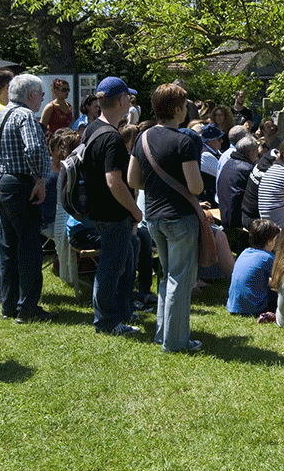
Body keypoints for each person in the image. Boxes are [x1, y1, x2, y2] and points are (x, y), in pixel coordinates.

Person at [128, 82, 205, 353]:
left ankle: (163, 334)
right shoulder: (184, 141)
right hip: (180, 217)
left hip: (154, 216)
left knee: (166, 276)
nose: (186, 110)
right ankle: (176, 342)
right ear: (177, 109)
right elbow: (196, 187)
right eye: (184, 105)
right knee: (180, 280)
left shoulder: (142, 138)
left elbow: (132, 180)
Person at [0, 73, 54, 324]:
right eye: (41, 94)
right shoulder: (26, 116)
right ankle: (27, 307)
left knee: (9, 245)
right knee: (29, 247)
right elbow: (34, 148)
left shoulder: (2, 114)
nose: (42, 99)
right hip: (22, 184)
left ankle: (9, 304)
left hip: (3, 182)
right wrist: (39, 180)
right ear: (30, 95)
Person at [84, 77, 144, 336]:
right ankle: (106, 322)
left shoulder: (92, 129)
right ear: (120, 100)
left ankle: (118, 313)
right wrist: (134, 210)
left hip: (98, 210)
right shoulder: (112, 138)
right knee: (111, 268)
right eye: (127, 98)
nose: (129, 103)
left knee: (119, 263)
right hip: (113, 213)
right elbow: (114, 180)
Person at [226, 218, 280, 317]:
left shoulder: (245, 252)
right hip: (254, 307)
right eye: (275, 239)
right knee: (280, 297)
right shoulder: (267, 257)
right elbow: (280, 281)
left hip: (233, 306)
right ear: (269, 242)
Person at [217, 134, 258, 234]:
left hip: (225, 212)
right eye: (256, 152)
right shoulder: (248, 169)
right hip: (237, 219)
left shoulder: (228, 163)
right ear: (251, 152)